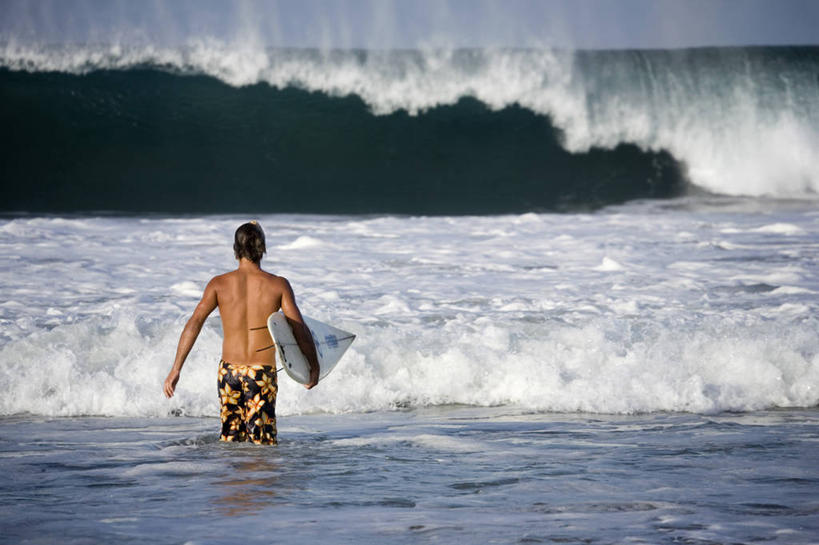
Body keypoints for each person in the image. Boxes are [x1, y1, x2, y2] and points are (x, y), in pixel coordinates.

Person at [163, 221, 319, 445]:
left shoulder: (218, 284)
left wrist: (176, 369)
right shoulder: (278, 285)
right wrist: (313, 367)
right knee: (262, 444)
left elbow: (194, 322)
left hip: (228, 372)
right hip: (260, 373)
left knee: (230, 441)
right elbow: (299, 328)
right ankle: (260, 479)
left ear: (235, 250)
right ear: (263, 248)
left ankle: (234, 480)